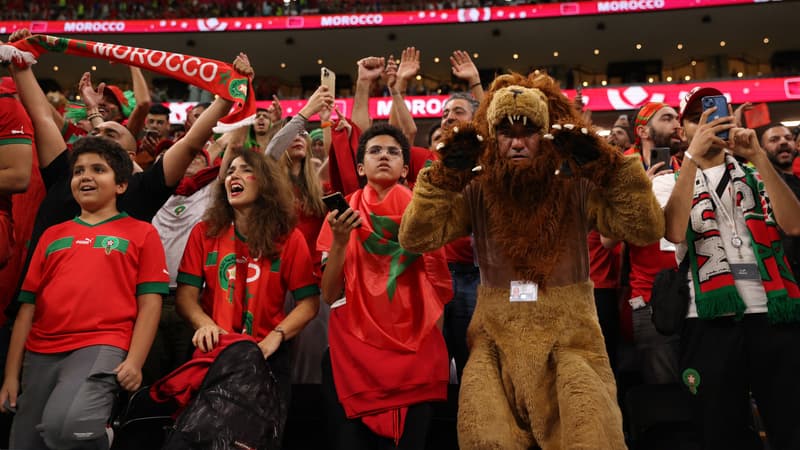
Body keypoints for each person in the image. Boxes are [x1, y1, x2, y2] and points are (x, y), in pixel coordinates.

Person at [399, 72, 664, 449]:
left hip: (569, 337)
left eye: (529, 132)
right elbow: (416, 237)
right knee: (486, 438)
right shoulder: (478, 187)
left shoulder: (574, 184)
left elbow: (644, 229)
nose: (518, 142)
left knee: (589, 437)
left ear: (547, 133)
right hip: (495, 340)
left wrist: (611, 168)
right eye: (506, 132)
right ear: (492, 137)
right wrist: (443, 177)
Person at [655, 87, 800, 450]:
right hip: (705, 317)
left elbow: (794, 225)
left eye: (720, 112)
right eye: (696, 118)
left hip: (771, 312)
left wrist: (759, 158)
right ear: (683, 130)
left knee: (790, 423)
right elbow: (673, 230)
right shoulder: (666, 181)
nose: (710, 122)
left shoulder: (755, 170)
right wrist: (690, 158)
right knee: (720, 429)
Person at [0, 136, 167, 450]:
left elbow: (150, 304)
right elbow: (27, 309)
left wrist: (134, 361)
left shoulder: (142, 232)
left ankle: (102, 436)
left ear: (121, 185)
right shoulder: (52, 235)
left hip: (101, 343)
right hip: (40, 351)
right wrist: (11, 376)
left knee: (67, 429)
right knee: (25, 443)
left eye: (98, 169)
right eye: (78, 171)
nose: (85, 176)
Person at [317, 123, 452, 449]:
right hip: (356, 353)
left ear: (406, 168)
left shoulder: (424, 215)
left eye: (393, 152)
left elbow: (438, 291)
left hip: (415, 353)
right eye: (375, 150)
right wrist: (339, 242)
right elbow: (329, 294)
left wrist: (433, 349)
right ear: (360, 167)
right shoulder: (341, 214)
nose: (384, 156)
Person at [175, 148, 320, 438]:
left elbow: (309, 302)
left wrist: (274, 337)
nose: (233, 176)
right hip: (213, 351)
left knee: (256, 439)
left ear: (265, 182)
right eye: (230, 171)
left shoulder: (289, 238)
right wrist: (205, 325)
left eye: (244, 170)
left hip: (266, 354)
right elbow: (185, 297)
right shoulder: (204, 232)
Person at [760, 124, 800, 278]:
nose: (783, 142)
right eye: (774, 140)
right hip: (785, 275)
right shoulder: (759, 184)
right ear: (762, 150)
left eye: (788, 138)